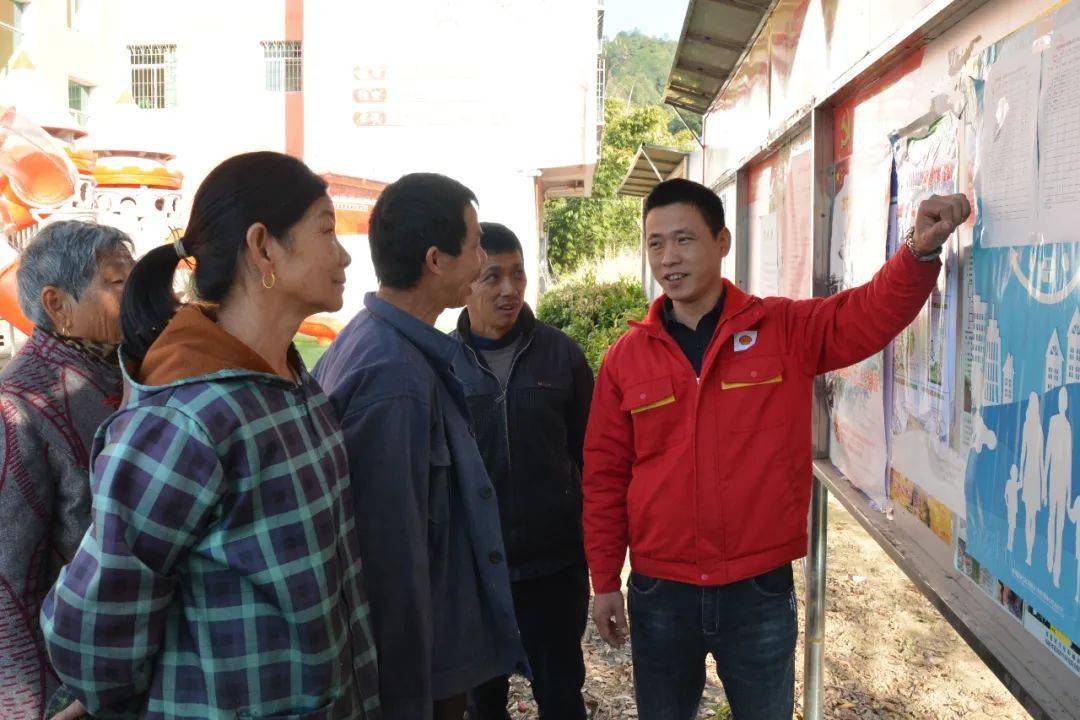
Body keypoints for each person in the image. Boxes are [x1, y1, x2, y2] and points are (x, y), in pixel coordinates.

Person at [585, 178, 971, 720]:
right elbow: (604, 476)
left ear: (722, 242)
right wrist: (605, 581)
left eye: (684, 240)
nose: (668, 258)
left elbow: (866, 315)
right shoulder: (626, 358)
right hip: (660, 592)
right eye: (654, 243)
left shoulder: (782, 329)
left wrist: (918, 251)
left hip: (756, 591)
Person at [40, 152, 381, 720]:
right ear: (263, 246)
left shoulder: (292, 383)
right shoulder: (185, 419)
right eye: (325, 230)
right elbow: (93, 633)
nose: (343, 254)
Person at [314, 174, 525, 720]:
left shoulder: (378, 343)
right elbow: (390, 562)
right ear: (437, 259)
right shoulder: (393, 377)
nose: (481, 261)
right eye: (476, 244)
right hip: (417, 674)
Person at [452, 223, 593, 720]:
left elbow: (589, 457)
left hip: (553, 569)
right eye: (492, 276)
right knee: (481, 704)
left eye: (517, 274)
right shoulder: (444, 364)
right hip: (474, 572)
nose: (509, 289)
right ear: (466, 280)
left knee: (559, 696)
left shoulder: (562, 355)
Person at [0, 221, 131, 719]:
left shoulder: (128, 371)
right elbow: (10, 579)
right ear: (57, 305)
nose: (137, 292)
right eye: (118, 282)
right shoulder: (19, 404)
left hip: (124, 665)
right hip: (71, 689)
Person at [1020, 391, 1045, 566]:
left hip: (1030, 475)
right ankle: (1029, 551)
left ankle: (1029, 552)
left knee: (1029, 515)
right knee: (1031, 517)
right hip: (1033, 476)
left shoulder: (1029, 427)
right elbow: (1041, 460)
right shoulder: (1035, 428)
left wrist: (1022, 477)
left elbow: (1024, 455)